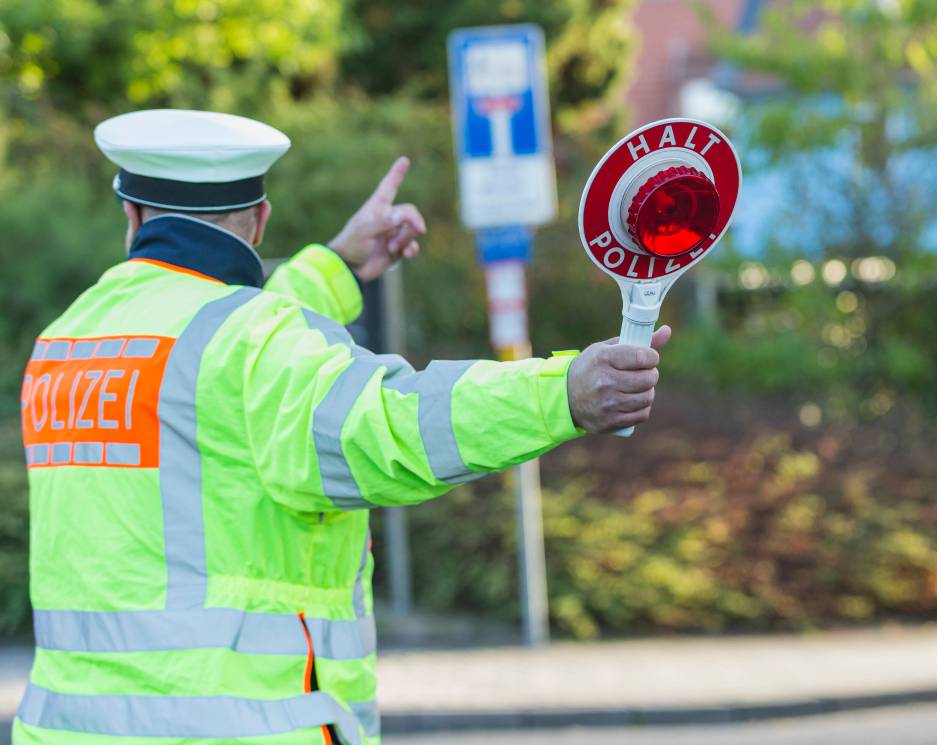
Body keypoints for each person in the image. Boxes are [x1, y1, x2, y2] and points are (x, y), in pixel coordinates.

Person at [15, 109, 668, 745]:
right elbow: (392, 427)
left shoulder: (67, 337)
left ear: (131, 215)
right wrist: (563, 393)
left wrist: (336, 267)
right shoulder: (254, 343)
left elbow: (214, 361)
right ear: (260, 219)